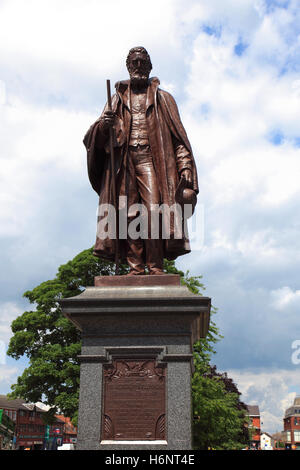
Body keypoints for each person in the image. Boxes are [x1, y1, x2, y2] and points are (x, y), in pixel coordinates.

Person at [84, 46, 198, 275]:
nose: (138, 67)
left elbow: (179, 139)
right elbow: (92, 137)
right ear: (128, 66)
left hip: (152, 160)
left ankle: (155, 266)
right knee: (128, 213)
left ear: (149, 67)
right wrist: (103, 126)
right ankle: (135, 268)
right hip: (123, 162)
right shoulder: (116, 100)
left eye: (142, 63)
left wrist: (185, 165)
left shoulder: (163, 99)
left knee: (154, 210)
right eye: (134, 63)